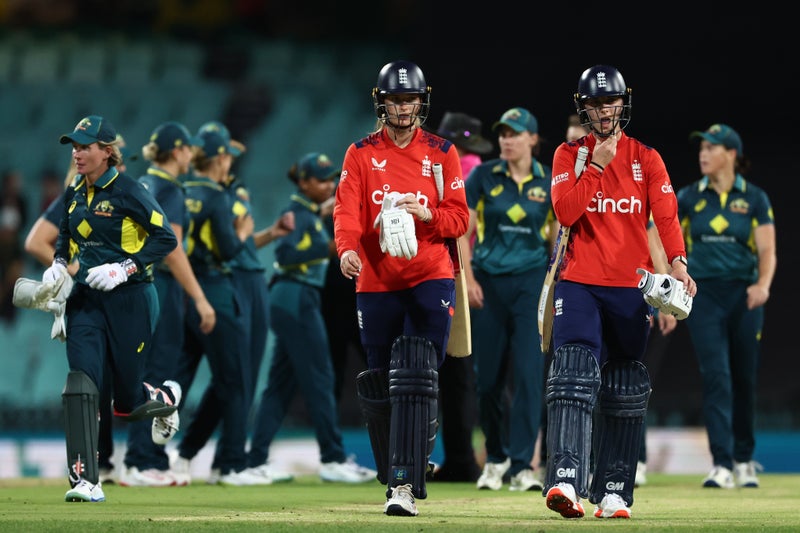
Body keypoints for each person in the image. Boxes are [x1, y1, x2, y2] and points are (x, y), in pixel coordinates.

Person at [543, 65, 696, 520]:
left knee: (625, 385)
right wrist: (596, 167)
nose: (603, 111)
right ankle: (566, 480)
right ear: (583, 108)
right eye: (594, 104)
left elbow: (665, 215)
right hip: (579, 282)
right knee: (572, 371)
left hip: (630, 287)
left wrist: (679, 263)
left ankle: (613, 491)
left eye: (609, 103)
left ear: (622, 104)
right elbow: (566, 213)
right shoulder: (567, 155)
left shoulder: (647, 157)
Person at [334, 60, 469, 517]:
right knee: (379, 381)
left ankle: (404, 479)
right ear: (382, 102)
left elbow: (460, 219)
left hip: (431, 273)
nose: (403, 107)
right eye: (395, 99)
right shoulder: (359, 153)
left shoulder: (441, 152)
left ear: (421, 102)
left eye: (410, 99)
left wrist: (426, 212)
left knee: (419, 375)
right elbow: (346, 210)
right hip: (376, 279)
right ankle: (399, 464)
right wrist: (346, 249)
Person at [46, 115, 182, 502]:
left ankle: (164, 400)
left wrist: (125, 267)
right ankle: (85, 480)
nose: (77, 153)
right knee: (82, 384)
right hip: (86, 300)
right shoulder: (75, 191)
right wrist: (58, 264)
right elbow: (66, 236)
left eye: (85, 146)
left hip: (131, 300)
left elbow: (165, 238)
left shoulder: (128, 190)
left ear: (107, 152)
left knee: (125, 401)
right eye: (74, 146)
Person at [244, 152, 376, 484]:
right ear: (303, 183)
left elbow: (306, 226)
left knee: (280, 384)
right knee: (319, 378)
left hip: (293, 298)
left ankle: (255, 459)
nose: (329, 185)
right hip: (297, 297)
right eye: (321, 180)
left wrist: (322, 214)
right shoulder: (294, 213)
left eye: (331, 179)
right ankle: (332, 458)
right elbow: (286, 254)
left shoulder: (306, 212)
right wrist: (329, 249)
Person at [23, 136, 137, 486]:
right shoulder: (77, 195)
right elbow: (35, 241)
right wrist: (74, 270)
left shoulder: (117, 196)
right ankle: (97, 464)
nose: (123, 167)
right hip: (92, 300)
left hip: (119, 297)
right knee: (95, 381)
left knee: (110, 381)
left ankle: (104, 462)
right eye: (119, 160)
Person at [458, 107, 552, 493]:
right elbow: (462, 231)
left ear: (532, 139)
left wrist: (552, 284)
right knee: (487, 381)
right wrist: (468, 279)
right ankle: (494, 460)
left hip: (531, 283)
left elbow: (558, 237)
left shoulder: (549, 181)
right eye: (502, 134)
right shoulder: (483, 176)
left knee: (531, 377)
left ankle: (522, 466)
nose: (506, 140)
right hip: (489, 285)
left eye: (515, 133)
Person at [677, 123, 776, 489]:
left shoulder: (754, 199)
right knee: (716, 375)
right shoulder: (689, 197)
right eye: (700, 147)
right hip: (703, 297)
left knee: (744, 379)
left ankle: (745, 459)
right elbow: (661, 232)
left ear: (731, 154)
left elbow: (767, 250)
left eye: (711, 147)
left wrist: (762, 286)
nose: (703, 153)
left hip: (744, 297)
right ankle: (721, 463)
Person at [120, 121, 215, 487]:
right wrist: (200, 298)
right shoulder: (170, 189)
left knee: (146, 373)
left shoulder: (143, 184)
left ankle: (140, 457)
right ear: (178, 152)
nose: (191, 154)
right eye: (188, 149)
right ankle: (143, 460)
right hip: (162, 286)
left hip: (137, 286)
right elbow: (172, 250)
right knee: (159, 371)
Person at [168, 128, 255, 485]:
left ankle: (164, 456)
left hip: (184, 289)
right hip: (215, 291)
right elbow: (229, 250)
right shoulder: (217, 197)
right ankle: (231, 465)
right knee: (234, 380)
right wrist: (245, 232)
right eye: (228, 157)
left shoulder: (182, 193)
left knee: (179, 381)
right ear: (220, 158)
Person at [429, 111, 492, 483]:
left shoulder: (461, 168)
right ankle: (468, 457)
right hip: (478, 274)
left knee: (454, 371)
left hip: (457, 274)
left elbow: (459, 225)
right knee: (466, 373)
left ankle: (461, 458)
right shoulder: (480, 169)